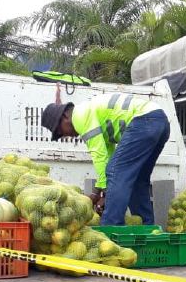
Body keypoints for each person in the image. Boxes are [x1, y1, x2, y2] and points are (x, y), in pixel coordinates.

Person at [41, 85, 170, 225]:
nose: (64, 136)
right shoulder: (92, 113)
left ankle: (111, 227)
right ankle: (146, 229)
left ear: (65, 116)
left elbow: (100, 157)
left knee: (116, 172)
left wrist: (102, 194)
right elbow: (108, 157)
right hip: (160, 121)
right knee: (137, 179)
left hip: (144, 121)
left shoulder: (79, 116)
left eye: (59, 132)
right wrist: (98, 191)